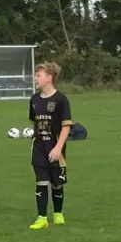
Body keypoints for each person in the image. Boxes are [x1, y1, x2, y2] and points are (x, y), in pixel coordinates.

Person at [26, 61, 73, 229]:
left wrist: (58, 148)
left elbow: (66, 126)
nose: (35, 79)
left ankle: (58, 213)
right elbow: (34, 121)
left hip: (55, 147)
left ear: (49, 78)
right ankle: (42, 218)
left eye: (38, 76)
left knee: (57, 183)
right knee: (41, 181)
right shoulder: (34, 100)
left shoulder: (61, 100)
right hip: (39, 147)